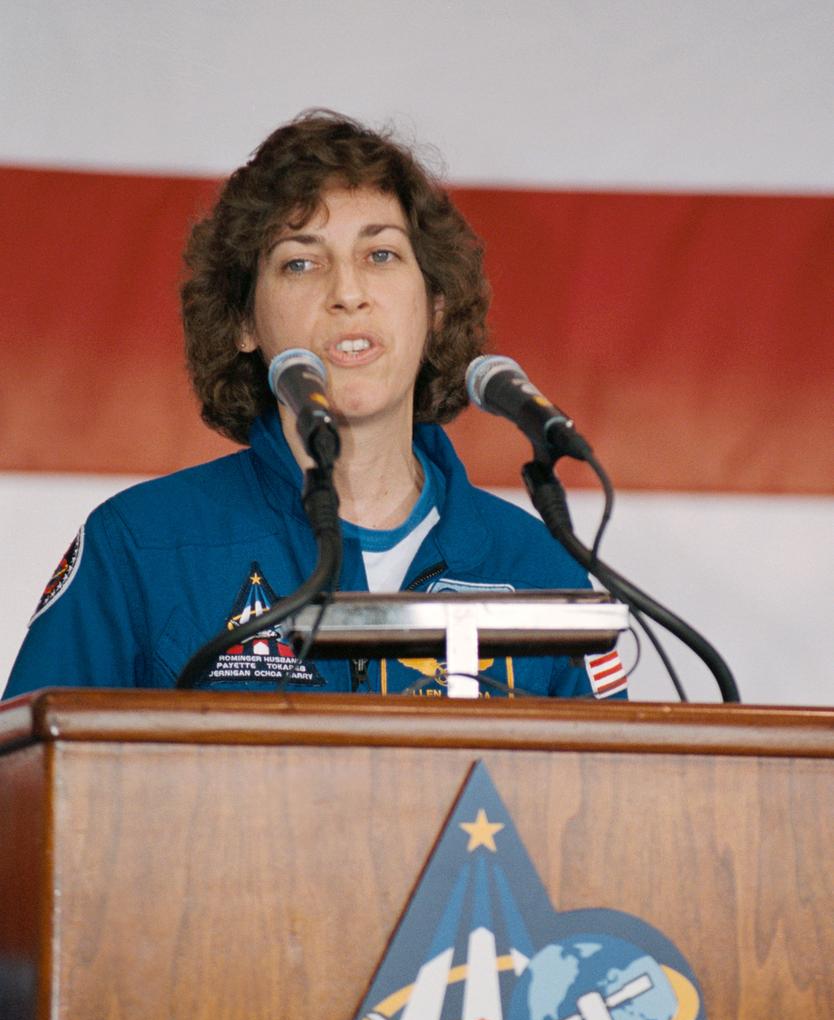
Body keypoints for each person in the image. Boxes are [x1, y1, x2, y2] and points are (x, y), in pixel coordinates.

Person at [3, 111, 626, 701]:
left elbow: (609, 799)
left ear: (434, 308)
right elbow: (26, 792)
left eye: (380, 255)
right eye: (300, 262)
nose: (347, 292)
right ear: (245, 320)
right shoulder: (140, 545)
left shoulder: (537, 566)